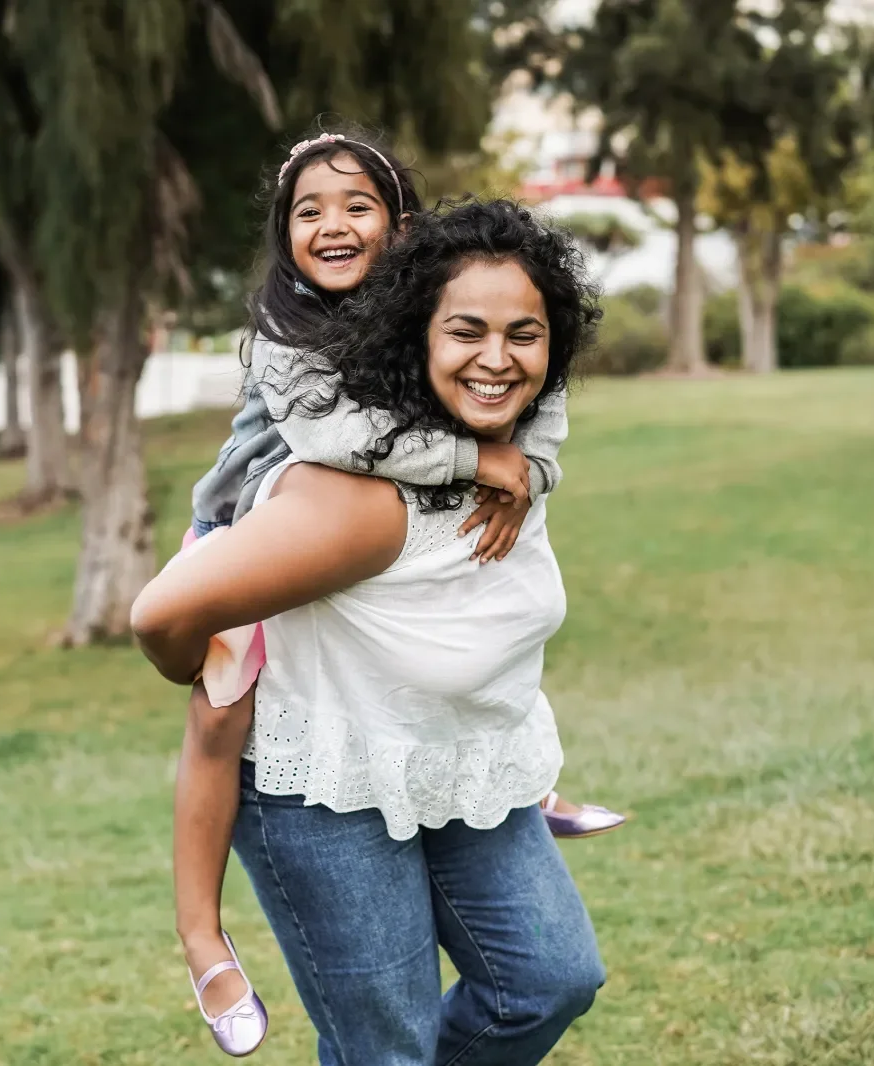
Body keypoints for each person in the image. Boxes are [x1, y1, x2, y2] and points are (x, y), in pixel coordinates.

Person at [169, 129, 621, 1053]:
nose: (334, 226)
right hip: (251, 530)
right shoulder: (288, 344)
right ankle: (200, 936)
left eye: (358, 207)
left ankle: (528, 788)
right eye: (309, 211)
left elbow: (533, 376)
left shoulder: (440, 329)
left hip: (444, 747)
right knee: (218, 714)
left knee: (547, 982)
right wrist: (480, 457)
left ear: (401, 230)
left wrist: (531, 466)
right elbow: (339, 444)